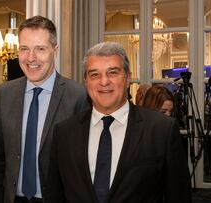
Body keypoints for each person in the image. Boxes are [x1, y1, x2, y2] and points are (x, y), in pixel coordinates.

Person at [45, 42, 191, 203]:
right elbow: (55, 196)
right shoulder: (65, 133)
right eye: (94, 75)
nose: (104, 82)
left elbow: (178, 196)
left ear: (128, 77)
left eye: (112, 73)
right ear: (86, 81)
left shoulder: (162, 130)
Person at [0, 15, 89, 203]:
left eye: (40, 49)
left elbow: (82, 166)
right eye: (24, 49)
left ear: (55, 51)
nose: (30, 58)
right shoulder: (5, 93)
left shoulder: (77, 96)